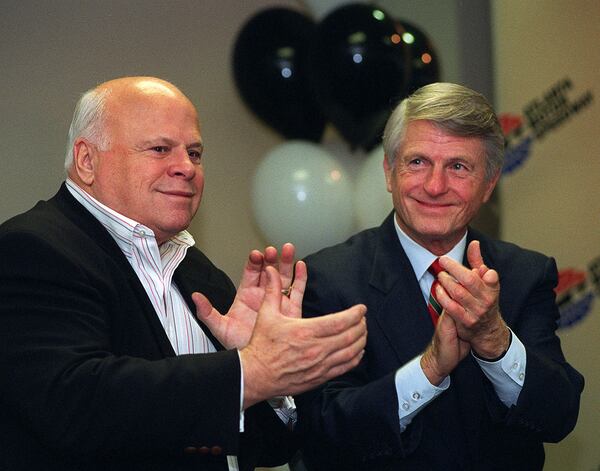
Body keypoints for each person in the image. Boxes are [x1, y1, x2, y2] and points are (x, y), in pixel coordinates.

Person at [0, 76, 367, 471]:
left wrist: (266, 380)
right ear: (88, 161)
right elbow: (77, 403)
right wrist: (250, 370)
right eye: (160, 149)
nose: (186, 168)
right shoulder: (32, 248)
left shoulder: (195, 270)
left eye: (194, 153)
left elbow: (263, 449)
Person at [296, 82, 584, 470]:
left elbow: (559, 414)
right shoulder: (328, 279)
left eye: (458, 167)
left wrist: (493, 338)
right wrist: (429, 369)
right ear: (388, 172)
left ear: (489, 184)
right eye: (417, 162)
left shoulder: (524, 274)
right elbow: (324, 428)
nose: (434, 186)